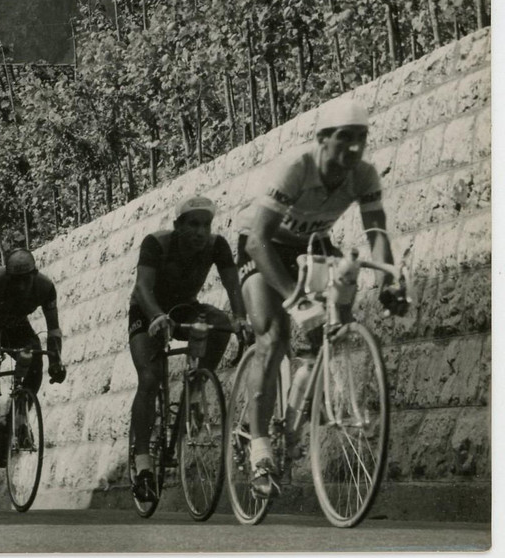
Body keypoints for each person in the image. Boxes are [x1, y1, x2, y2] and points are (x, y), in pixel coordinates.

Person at [238, 105, 408, 495]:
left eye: (361, 138)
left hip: (311, 244)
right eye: (344, 137)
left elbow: (376, 231)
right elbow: (257, 241)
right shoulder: (297, 168)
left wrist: (387, 278)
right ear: (322, 139)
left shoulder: (363, 174)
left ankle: (294, 419)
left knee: (327, 333)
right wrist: (294, 298)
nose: (354, 147)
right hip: (262, 245)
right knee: (274, 335)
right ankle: (259, 444)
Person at [128, 195, 247, 504]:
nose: (200, 231)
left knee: (218, 322)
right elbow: (142, 287)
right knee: (150, 379)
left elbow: (233, 286)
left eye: (205, 225)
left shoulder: (216, 246)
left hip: (184, 308)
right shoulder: (156, 243)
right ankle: (142, 463)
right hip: (148, 309)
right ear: (177, 226)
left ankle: (195, 385)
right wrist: (156, 317)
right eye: (192, 224)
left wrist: (240, 320)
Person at [0, 247, 66, 496]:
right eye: (15, 281)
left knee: (36, 356)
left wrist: (56, 360)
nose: (21, 286)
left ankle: (20, 413)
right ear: (8, 277)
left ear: (35, 274)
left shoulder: (45, 287)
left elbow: (53, 330)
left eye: (26, 280)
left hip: (17, 326)